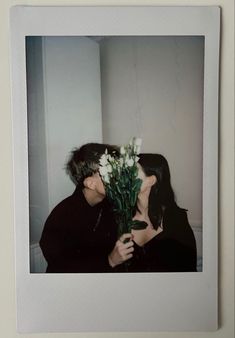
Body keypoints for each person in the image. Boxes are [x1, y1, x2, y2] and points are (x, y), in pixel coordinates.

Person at [39, 143, 134, 273]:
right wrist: (109, 261)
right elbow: (61, 268)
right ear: (90, 183)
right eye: (112, 172)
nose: (120, 177)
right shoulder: (62, 217)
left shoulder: (112, 205)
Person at [125, 153, 197, 272]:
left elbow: (188, 269)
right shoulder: (121, 215)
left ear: (151, 180)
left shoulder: (176, 219)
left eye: (132, 171)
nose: (124, 177)